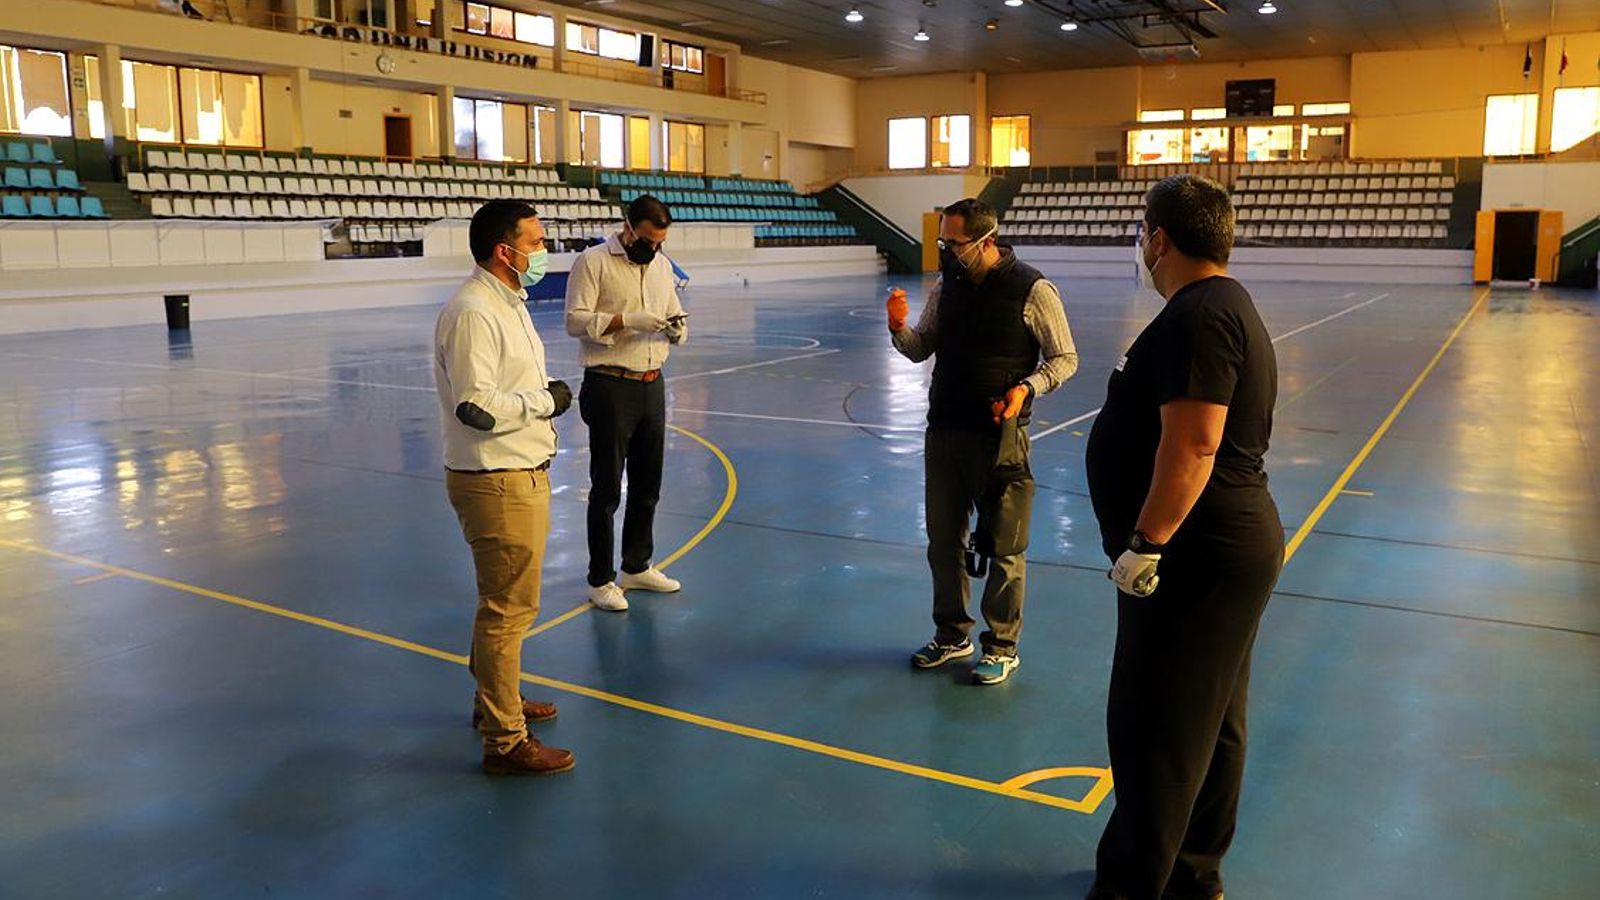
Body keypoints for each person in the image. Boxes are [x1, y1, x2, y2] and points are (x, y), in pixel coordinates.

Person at [1083, 175, 1284, 899]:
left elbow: (1195, 445)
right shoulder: (1220, 306)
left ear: (1159, 239)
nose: (1142, 244)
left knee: (1156, 730)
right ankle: (1193, 876)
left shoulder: (1200, 314)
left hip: (1192, 559)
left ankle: (1132, 886)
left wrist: (1146, 543)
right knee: (1213, 717)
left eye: (1144, 231)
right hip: (1223, 551)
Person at [890, 198, 1079, 685]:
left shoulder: (1032, 289)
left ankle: (1001, 645)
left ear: (986, 240)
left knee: (1004, 545)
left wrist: (1025, 388)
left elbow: (1064, 359)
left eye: (954, 243)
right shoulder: (946, 286)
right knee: (942, 543)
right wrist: (898, 329)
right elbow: (920, 347)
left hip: (1000, 439)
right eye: (943, 243)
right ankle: (952, 635)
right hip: (945, 431)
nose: (947, 252)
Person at [435, 199, 575, 776]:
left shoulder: (506, 303)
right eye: (536, 242)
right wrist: (547, 401)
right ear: (505, 250)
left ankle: (495, 699)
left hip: (517, 473)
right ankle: (505, 740)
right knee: (509, 611)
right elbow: (477, 406)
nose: (542, 251)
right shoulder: (474, 312)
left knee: (505, 604)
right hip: (497, 481)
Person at [565, 194, 688, 612]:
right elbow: (574, 320)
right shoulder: (593, 262)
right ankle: (600, 579)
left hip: (652, 384)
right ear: (629, 227)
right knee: (606, 488)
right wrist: (624, 321)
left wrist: (676, 330)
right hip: (609, 383)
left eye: (660, 242)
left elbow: (675, 311)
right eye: (648, 239)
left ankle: (636, 564)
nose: (653, 248)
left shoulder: (662, 266)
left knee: (648, 484)